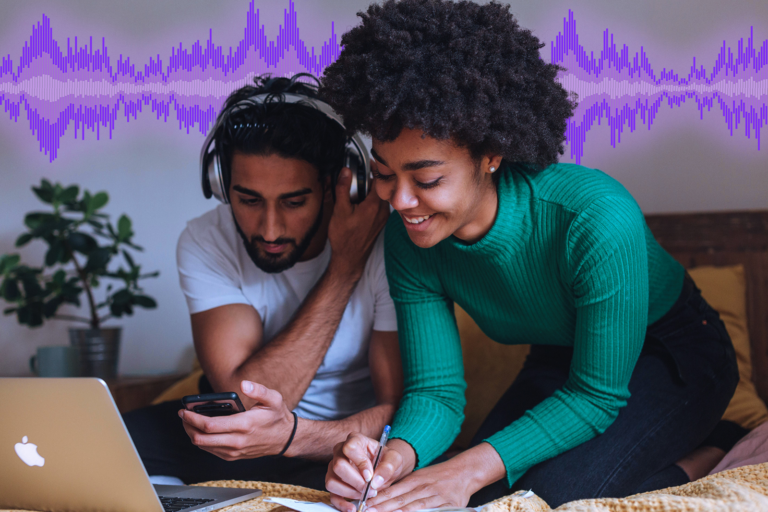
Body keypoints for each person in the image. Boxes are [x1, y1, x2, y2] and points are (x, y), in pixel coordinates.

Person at [318, 0, 740, 508]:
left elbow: (596, 395)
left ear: (491, 154)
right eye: (385, 173)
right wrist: (395, 460)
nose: (400, 201)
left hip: (673, 352)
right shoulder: (408, 241)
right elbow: (436, 394)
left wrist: (466, 466)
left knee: (559, 500)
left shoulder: (594, 216)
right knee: (484, 499)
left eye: (426, 179)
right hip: (559, 358)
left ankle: (718, 444)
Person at [122, 74, 401, 490]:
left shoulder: (385, 243)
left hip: (335, 440)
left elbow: (398, 411)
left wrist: (350, 261)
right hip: (232, 432)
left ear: (338, 183)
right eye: (249, 200)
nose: (269, 230)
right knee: (85, 443)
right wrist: (343, 270)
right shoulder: (206, 239)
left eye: (294, 201)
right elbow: (246, 402)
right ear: (220, 185)